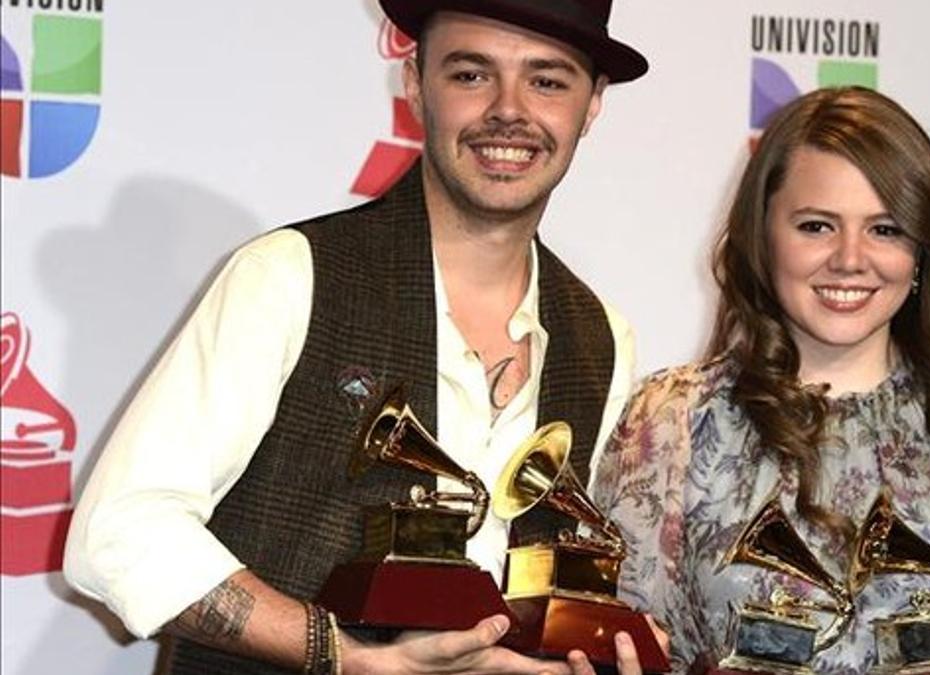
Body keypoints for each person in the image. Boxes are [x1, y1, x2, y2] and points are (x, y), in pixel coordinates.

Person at [63, 1, 654, 673]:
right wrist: (342, 654)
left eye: (547, 80)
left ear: (593, 104)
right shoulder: (289, 275)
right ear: (414, 84)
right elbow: (118, 532)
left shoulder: (603, 335)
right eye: (470, 74)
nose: (508, 110)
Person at [592, 87, 930, 674]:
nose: (849, 258)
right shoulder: (674, 420)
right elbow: (631, 646)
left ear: (922, 248)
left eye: (885, 229)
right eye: (816, 226)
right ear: (763, 237)